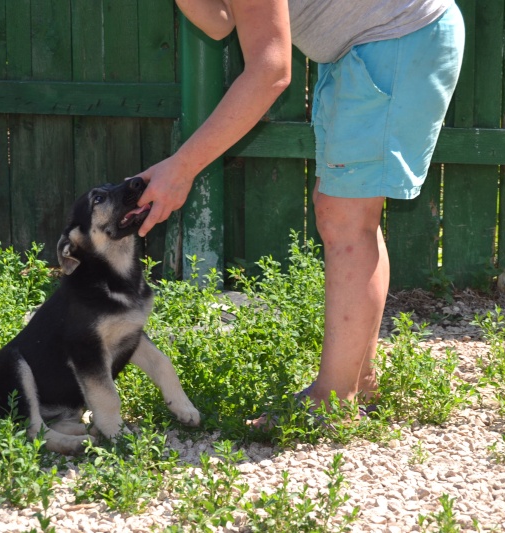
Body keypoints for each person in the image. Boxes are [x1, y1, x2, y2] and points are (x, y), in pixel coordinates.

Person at [134, 0, 464, 422]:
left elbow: (271, 70)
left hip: (395, 38)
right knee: (342, 214)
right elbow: (220, 22)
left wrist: (182, 169)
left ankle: (332, 399)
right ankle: (357, 381)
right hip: (367, 46)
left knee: (347, 220)